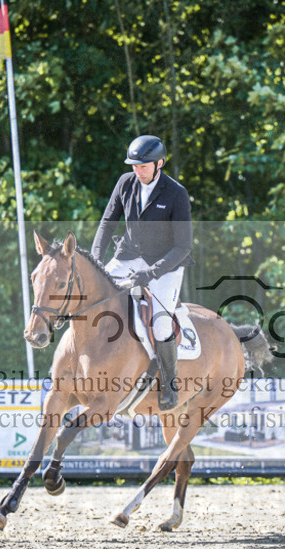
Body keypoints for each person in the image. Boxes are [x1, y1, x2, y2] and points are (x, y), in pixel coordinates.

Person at [91, 134, 194, 411]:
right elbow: (106, 224)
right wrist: (95, 263)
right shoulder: (126, 183)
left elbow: (184, 246)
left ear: (159, 164)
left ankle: (170, 383)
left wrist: (151, 273)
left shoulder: (176, 194)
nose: (138, 171)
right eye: (134, 166)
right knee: (93, 296)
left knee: (161, 322)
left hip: (166, 264)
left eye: (144, 166)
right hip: (128, 257)